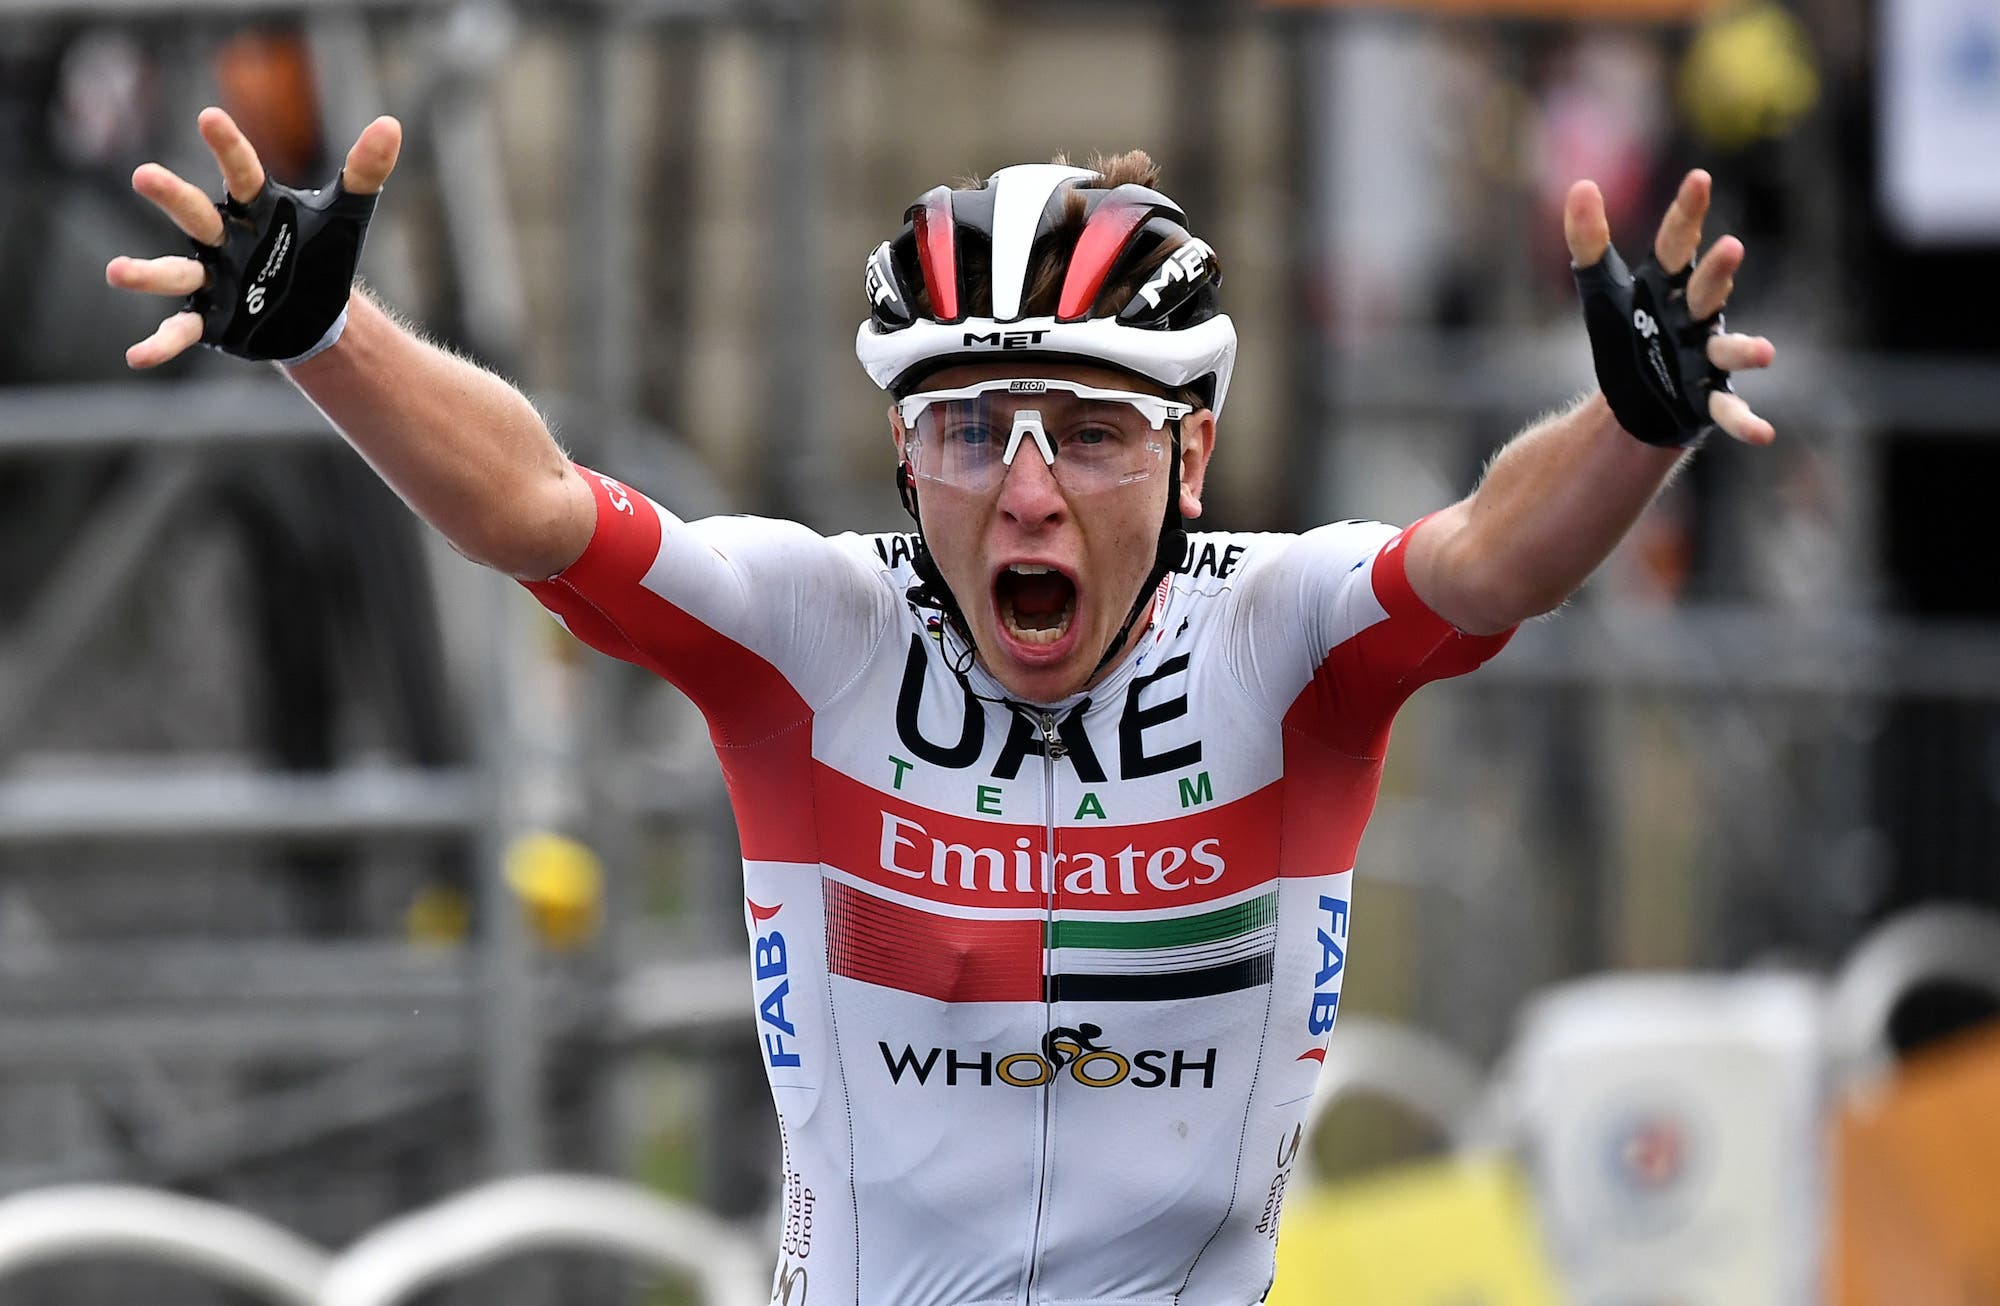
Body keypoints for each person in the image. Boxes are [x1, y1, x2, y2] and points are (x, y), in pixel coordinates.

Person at [109, 108, 1776, 1306]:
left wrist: (1636, 424)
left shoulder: (1281, 639)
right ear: (905, 458)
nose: (1027, 493)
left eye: (1093, 435)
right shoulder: (816, 629)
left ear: (1195, 453)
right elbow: (538, 509)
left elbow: (1488, 557)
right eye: (971, 431)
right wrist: (328, 337)